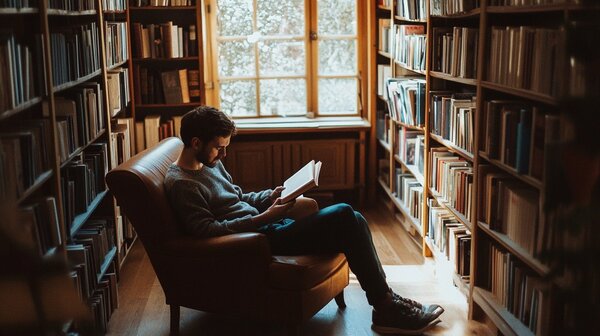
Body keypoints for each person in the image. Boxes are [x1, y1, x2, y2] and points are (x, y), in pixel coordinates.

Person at [164, 106, 445, 334]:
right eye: (219, 148)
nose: (224, 154)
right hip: (257, 241)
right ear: (196, 142)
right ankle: (386, 306)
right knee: (346, 214)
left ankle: (386, 302)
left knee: (354, 219)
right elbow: (207, 231)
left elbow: (238, 197)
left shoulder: (209, 162)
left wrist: (271, 195)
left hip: (268, 225)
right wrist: (265, 217)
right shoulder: (183, 184)